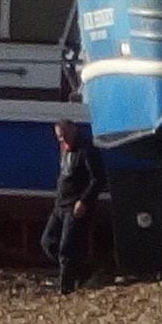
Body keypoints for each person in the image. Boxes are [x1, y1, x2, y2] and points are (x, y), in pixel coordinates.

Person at [41, 118, 103, 297]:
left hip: (76, 205)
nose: (63, 140)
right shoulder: (65, 149)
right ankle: (81, 272)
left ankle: (65, 287)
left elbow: (98, 178)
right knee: (48, 242)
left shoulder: (86, 149)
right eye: (60, 137)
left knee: (67, 248)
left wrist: (84, 200)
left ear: (73, 129)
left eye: (65, 135)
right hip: (60, 204)